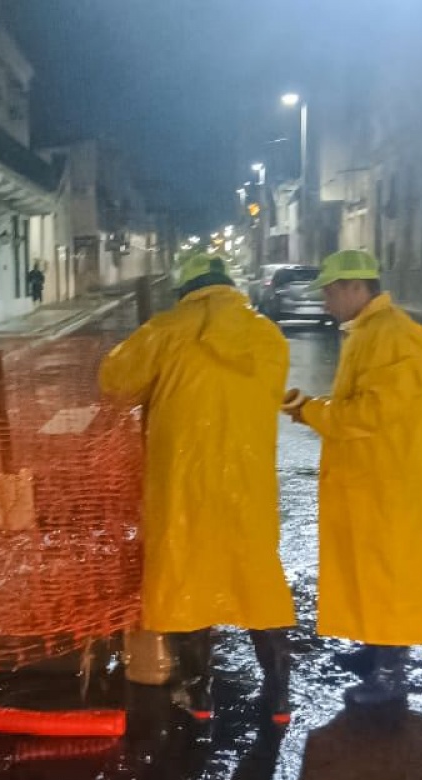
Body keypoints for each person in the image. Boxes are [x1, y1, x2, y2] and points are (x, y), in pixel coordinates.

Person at [99, 253, 295, 723]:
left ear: (186, 290)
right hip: (248, 484)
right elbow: (269, 391)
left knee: (186, 583)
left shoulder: (166, 330)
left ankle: (198, 696)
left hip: (182, 484)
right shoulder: (266, 335)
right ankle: (279, 698)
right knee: (257, 582)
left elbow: (115, 382)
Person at [283, 249, 422, 706]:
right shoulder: (370, 331)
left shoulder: (388, 335)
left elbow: (369, 414)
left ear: (357, 287)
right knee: (372, 569)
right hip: (374, 475)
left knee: (387, 572)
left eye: (331, 292)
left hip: (386, 480)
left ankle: (390, 672)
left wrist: (311, 410)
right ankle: (376, 651)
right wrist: (309, 409)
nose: (325, 301)